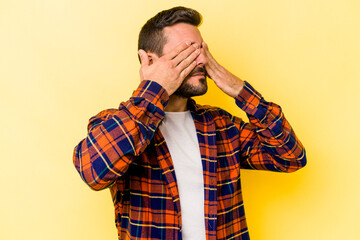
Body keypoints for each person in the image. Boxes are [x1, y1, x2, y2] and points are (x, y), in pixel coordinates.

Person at [73, 6, 307, 240]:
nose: (202, 60)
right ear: (149, 60)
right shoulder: (115, 124)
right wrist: (154, 89)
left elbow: (290, 157)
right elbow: (93, 171)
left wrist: (240, 90)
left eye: (203, 50)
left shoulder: (221, 126)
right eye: (187, 52)